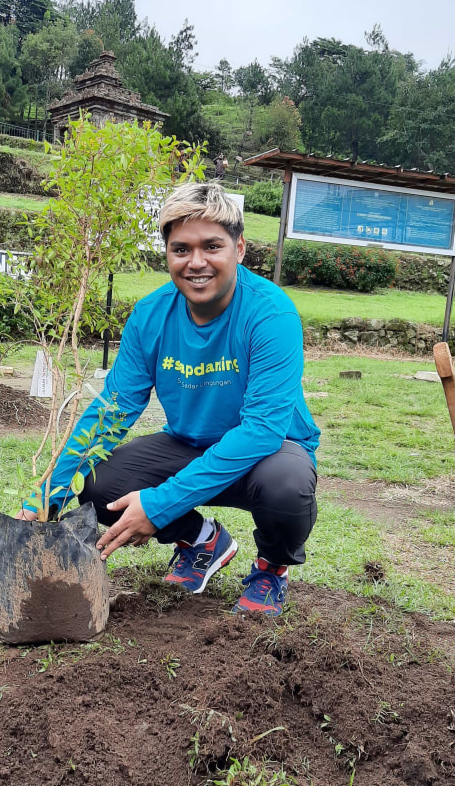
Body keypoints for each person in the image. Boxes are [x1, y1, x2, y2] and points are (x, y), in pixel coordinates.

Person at [16, 182, 320, 615]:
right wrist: (49, 492)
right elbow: (112, 410)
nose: (196, 262)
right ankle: (202, 541)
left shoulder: (271, 314)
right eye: (181, 249)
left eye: (212, 246)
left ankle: (271, 568)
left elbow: (263, 429)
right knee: (98, 482)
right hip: (189, 445)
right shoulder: (151, 314)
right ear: (167, 254)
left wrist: (158, 505)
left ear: (239, 249)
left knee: (287, 487)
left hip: (268, 453)